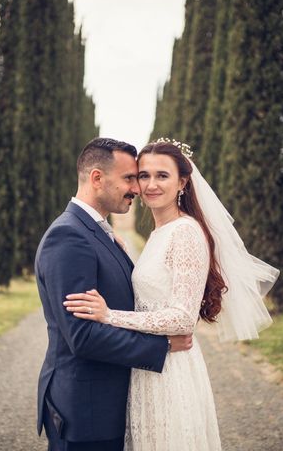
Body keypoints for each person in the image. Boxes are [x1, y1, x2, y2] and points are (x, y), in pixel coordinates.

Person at [64, 138, 280, 450]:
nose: (150, 184)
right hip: (149, 366)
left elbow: (182, 319)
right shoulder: (159, 234)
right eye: (143, 175)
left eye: (162, 176)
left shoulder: (186, 233)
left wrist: (109, 316)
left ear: (182, 182)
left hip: (171, 370)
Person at [35, 137, 193, 451]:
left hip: (102, 403)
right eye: (129, 178)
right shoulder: (69, 236)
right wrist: (160, 347)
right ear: (97, 178)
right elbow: (82, 336)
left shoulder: (99, 232)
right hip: (85, 409)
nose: (138, 188)